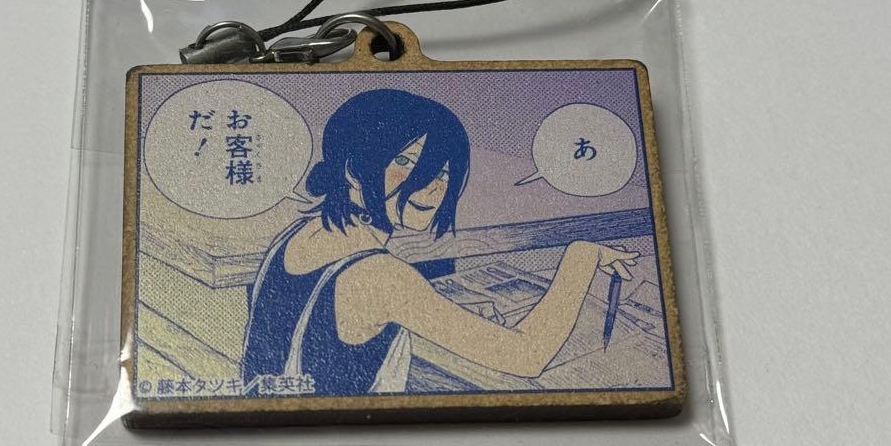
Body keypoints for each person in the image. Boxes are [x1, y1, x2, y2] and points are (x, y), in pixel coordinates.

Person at [241, 88, 637, 395]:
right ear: (354, 168)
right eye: (405, 162)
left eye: (444, 172)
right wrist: (581, 258)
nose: (433, 186)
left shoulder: (300, 233)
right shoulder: (379, 276)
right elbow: (526, 355)